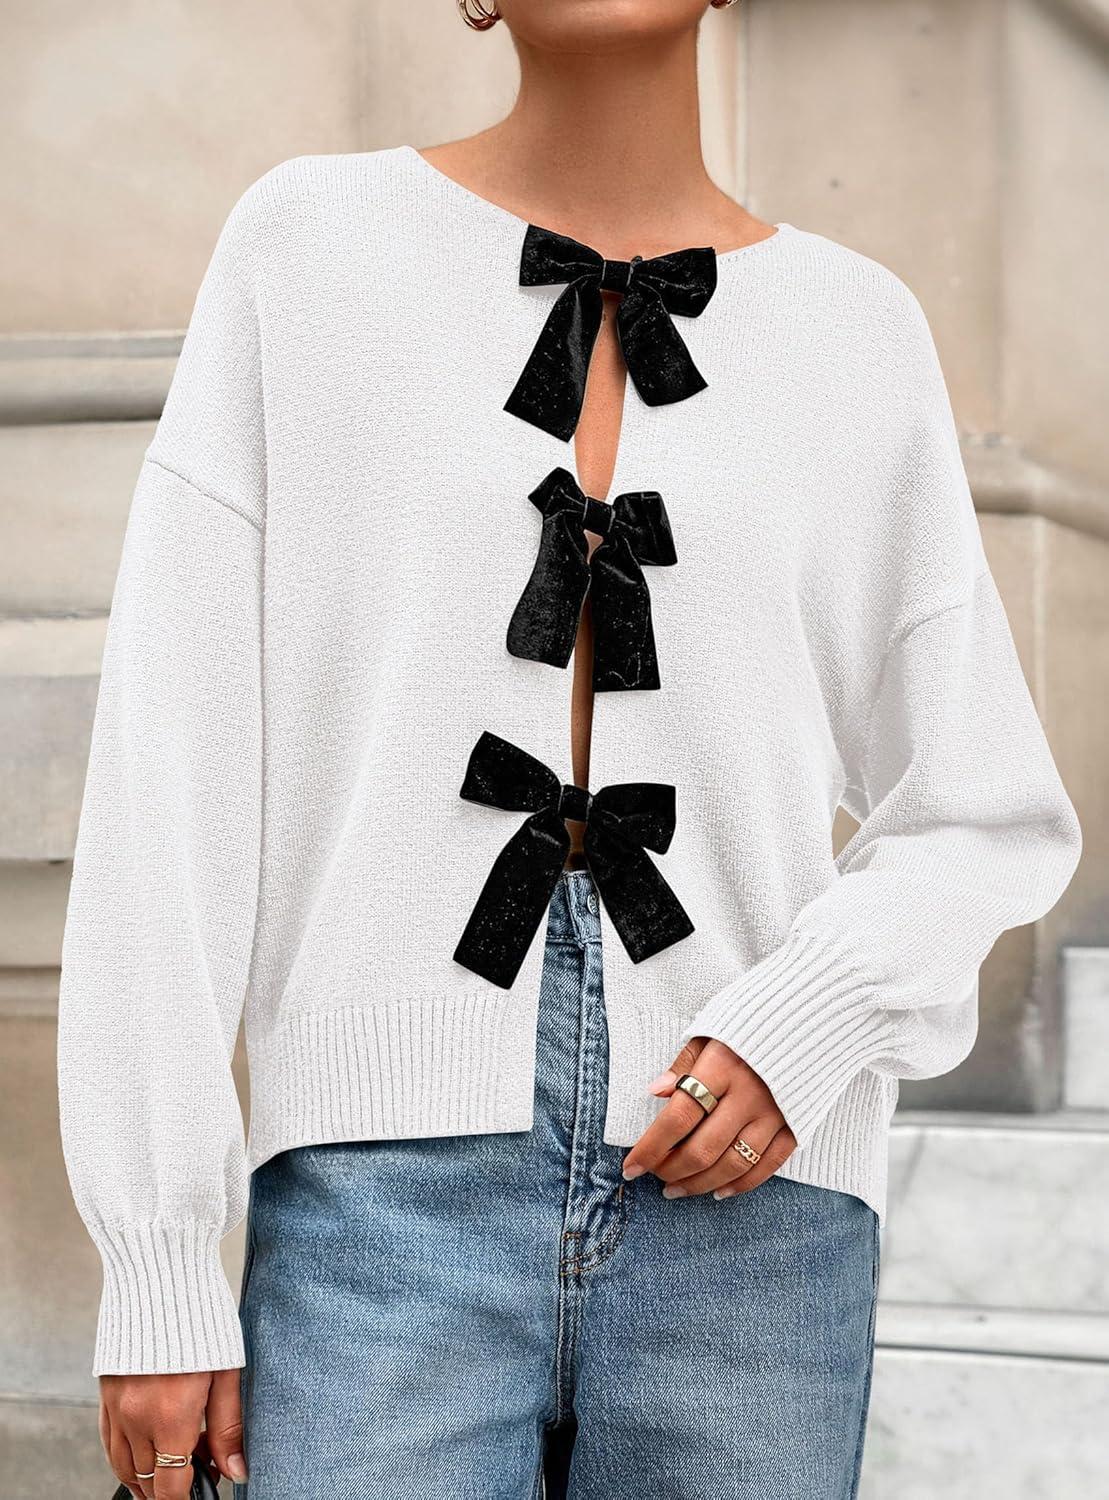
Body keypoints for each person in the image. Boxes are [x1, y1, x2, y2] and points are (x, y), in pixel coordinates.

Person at [57, 2, 1082, 1497]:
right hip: (376, 1206)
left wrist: (804, 1023)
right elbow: (173, 763)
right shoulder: (308, 251)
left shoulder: (858, 332)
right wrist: (157, 1263)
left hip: (756, 1212)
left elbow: (984, 808)